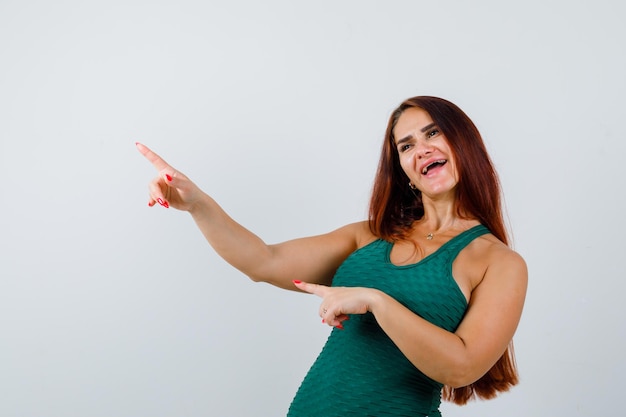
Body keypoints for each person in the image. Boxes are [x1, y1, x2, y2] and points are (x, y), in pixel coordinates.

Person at [137, 96, 527, 416]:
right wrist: (197, 204)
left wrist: (376, 301)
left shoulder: (498, 262)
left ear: (464, 143)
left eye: (432, 133)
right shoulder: (371, 234)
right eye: (406, 146)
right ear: (405, 170)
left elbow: (461, 367)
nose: (421, 149)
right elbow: (263, 261)